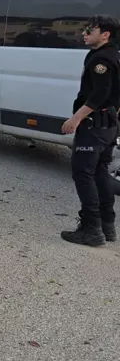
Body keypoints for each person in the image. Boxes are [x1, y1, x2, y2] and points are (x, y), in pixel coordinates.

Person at [60, 15, 120, 247]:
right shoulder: (113, 54)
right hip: (108, 124)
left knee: (83, 173)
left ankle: (90, 229)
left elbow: (99, 93)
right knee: (100, 172)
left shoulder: (102, 59)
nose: (84, 33)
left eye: (90, 30)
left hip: (94, 125)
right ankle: (107, 226)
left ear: (105, 34)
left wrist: (76, 118)